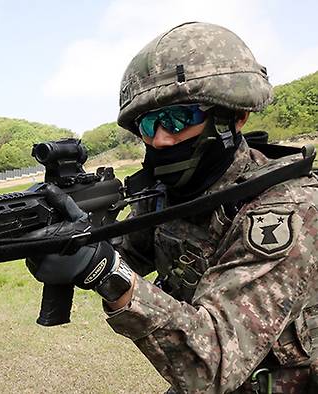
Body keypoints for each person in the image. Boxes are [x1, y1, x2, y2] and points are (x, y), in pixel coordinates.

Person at [26, 22, 317, 393]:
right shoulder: (168, 191)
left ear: (235, 115)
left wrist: (105, 271)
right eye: (148, 123)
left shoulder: (286, 209)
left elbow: (214, 362)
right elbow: (131, 252)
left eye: (180, 117)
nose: (161, 138)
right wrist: (73, 241)